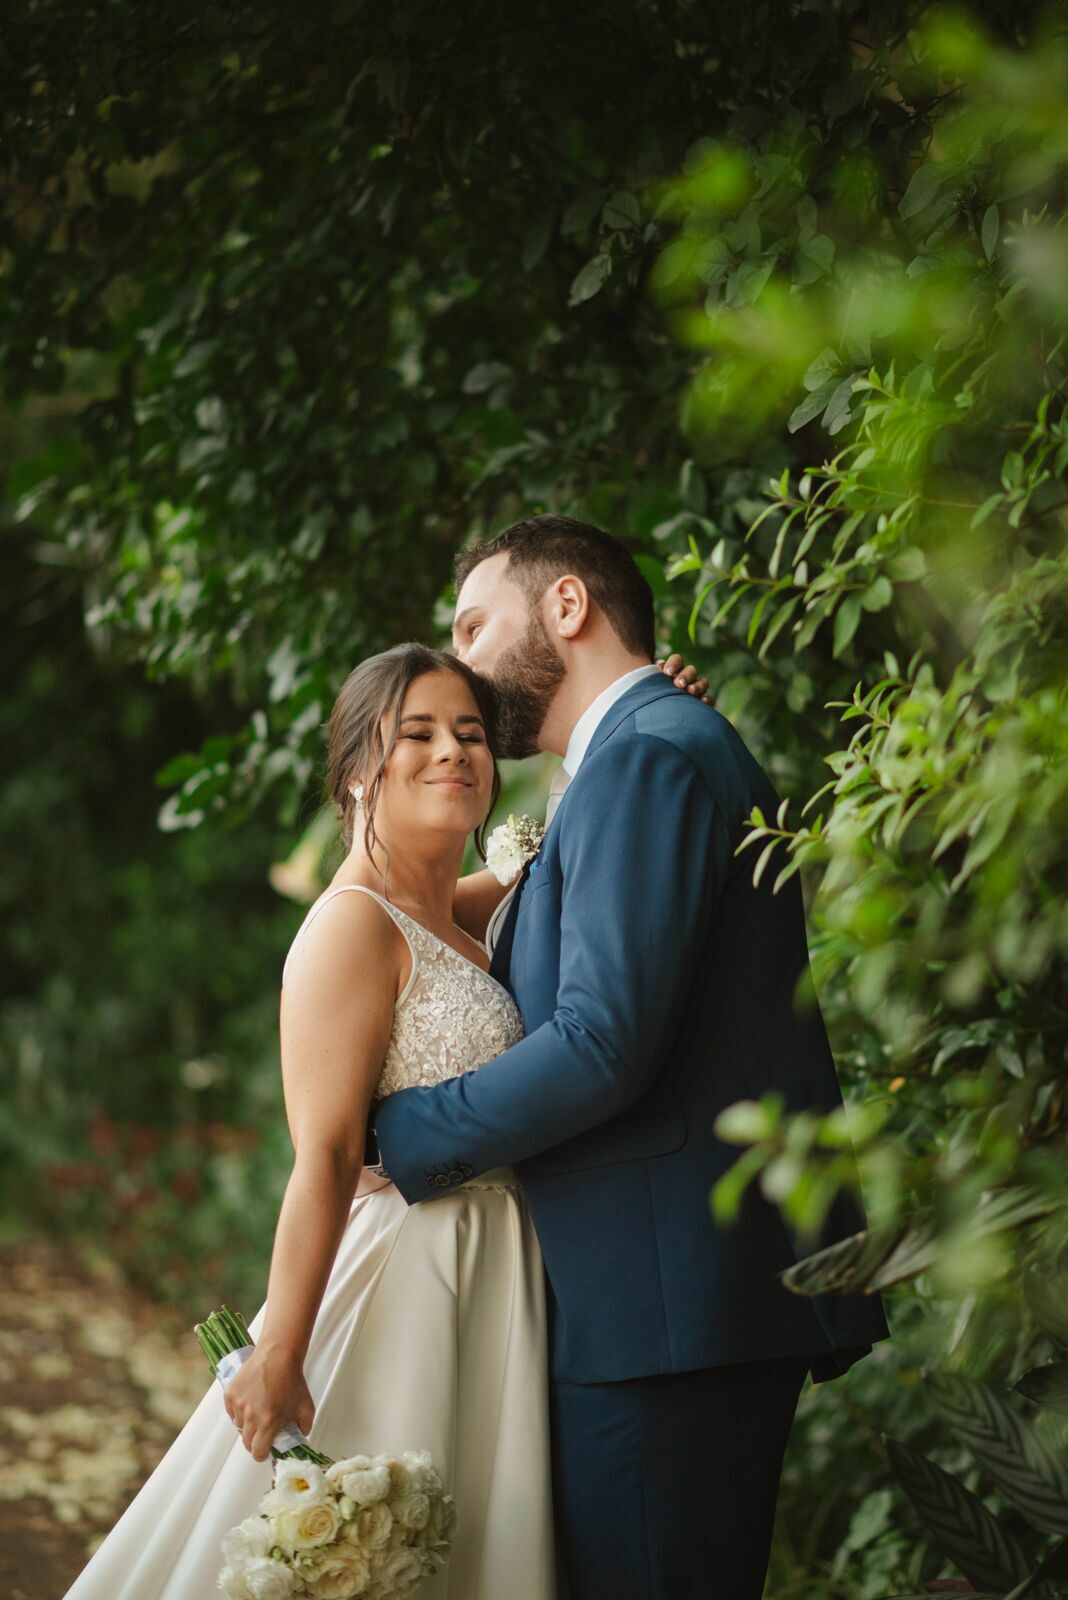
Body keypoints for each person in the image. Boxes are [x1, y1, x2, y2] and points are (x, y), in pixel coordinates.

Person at [373, 514, 892, 1600]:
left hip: (668, 1314)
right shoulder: (635, 751)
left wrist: (404, 1132)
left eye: (475, 623)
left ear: (568, 607)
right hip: (656, 1304)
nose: (459, 660)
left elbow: (605, 1042)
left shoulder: (648, 752)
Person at [62, 645, 558, 1600]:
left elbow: (558, 847)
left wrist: (637, 704)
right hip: (409, 1278)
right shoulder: (348, 926)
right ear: (358, 771)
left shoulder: (448, 913)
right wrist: (282, 1352)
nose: (453, 752)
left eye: (469, 734)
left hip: (492, 1278)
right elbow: (325, 1155)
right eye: (416, 733)